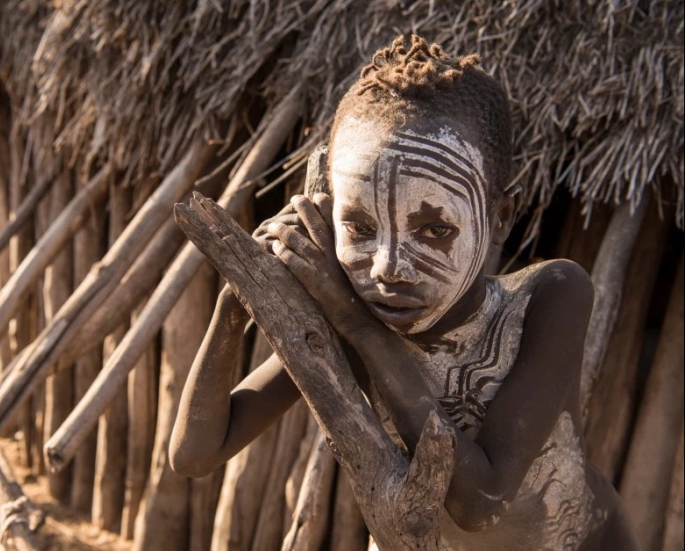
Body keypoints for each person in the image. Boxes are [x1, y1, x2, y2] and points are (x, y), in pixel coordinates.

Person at [169, 35, 639, 550]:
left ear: (500, 217)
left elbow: (480, 500)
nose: (389, 267)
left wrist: (356, 325)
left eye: (435, 229)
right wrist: (238, 298)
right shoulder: (340, 327)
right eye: (360, 228)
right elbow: (195, 454)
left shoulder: (549, 298)